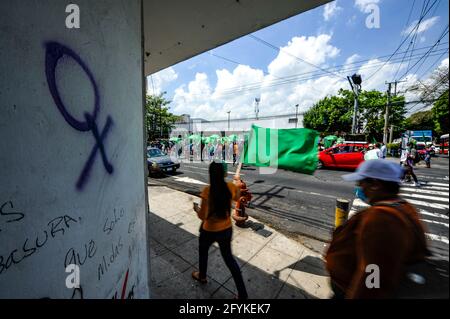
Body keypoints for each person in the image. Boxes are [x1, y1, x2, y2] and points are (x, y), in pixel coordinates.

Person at [326, 160, 428, 298]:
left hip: (346, 290)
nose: (359, 187)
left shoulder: (381, 218)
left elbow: (373, 273)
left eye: (362, 182)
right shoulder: (404, 207)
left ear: (375, 185)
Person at [192, 162, 248, 299]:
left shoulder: (207, 191)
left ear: (210, 174)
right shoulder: (230, 187)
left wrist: (196, 209)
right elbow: (238, 197)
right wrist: (237, 184)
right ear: (224, 174)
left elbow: (202, 216)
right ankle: (243, 295)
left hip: (208, 230)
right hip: (226, 230)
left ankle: (202, 276)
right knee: (229, 260)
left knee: (203, 252)